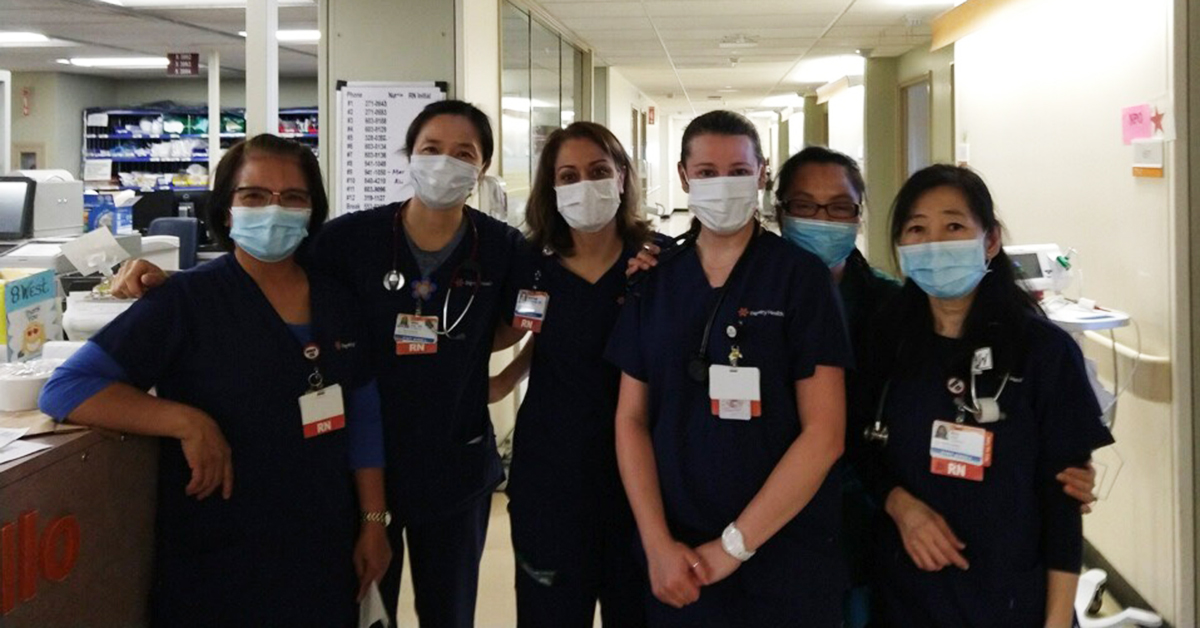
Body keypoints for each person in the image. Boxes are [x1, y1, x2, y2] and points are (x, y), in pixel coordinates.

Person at [631, 146, 1101, 626]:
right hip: (812, 542)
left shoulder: (886, 311)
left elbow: (1055, 483)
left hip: (886, 544)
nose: (822, 218)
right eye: (804, 206)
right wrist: (653, 259)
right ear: (778, 210)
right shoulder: (756, 291)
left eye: (840, 207)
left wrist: (1063, 472)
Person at [110, 101, 530, 628]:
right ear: (409, 157)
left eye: (463, 152)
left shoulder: (501, 245)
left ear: (482, 166)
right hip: (360, 466)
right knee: (369, 605)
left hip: (454, 461)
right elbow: (265, 272)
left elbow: (531, 315)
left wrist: (502, 378)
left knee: (450, 611)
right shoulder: (353, 237)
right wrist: (181, 284)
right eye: (431, 149)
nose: (445, 162)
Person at [38, 134, 391, 626]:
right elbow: (67, 388)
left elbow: (364, 412)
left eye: (293, 197)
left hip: (321, 541)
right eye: (254, 196)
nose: (275, 208)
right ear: (227, 211)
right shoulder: (185, 300)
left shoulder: (338, 301)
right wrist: (184, 420)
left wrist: (374, 521)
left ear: (312, 211)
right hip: (220, 550)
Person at [606, 111, 851, 627]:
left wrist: (733, 546)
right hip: (678, 553)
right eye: (707, 171)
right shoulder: (655, 276)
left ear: (762, 174)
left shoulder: (801, 279)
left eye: (739, 171)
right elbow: (630, 418)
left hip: (784, 549)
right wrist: (656, 543)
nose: (724, 185)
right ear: (683, 177)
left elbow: (825, 433)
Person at [861, 164, 1114, 627]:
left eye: (954, 226)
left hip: (1011, 598)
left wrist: (1056, 622)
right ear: (900, 247)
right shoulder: (885, 340)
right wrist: (899, 503)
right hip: (906, 598)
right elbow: (861, 450)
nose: (935, 243)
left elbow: (1063, 508)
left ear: (991, 241)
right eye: (917, 229)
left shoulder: (1043, 353)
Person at [489, 121, 655, 627]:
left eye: (599, 171)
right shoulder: (531, 263)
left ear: (622, 177)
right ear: (552, 187)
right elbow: (523, 333)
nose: (584, 184)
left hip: (643, 482)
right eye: (569, 175)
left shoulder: (657, 261)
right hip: (551, 476)